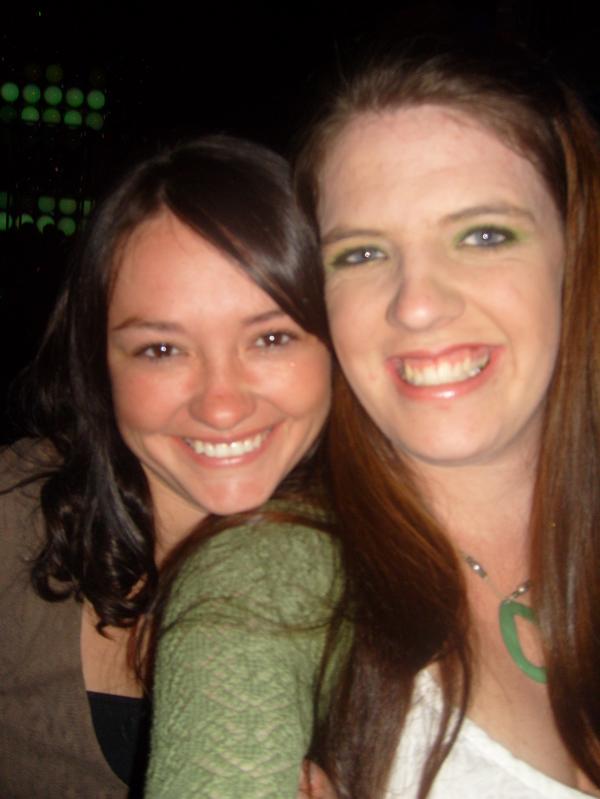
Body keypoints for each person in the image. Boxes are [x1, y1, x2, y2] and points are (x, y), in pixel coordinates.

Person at [294, 38, 600, 798]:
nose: (418, 305)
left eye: (483, 235)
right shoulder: (273, 595)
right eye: (362, 254)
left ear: (576, 254)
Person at [0, 134, 334, 798]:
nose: (221, 404)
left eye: (270, 338)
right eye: (161, 349)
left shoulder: (416, 577)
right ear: (98, 362)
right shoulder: (11, 521)